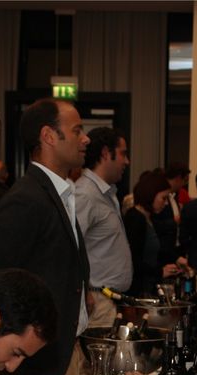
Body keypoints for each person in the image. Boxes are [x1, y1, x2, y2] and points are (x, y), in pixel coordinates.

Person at [0, 98, 91, 375]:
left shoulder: (59, 192)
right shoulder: (25, 199)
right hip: (37, 365)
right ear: (49, 136)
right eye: (77, 130)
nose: (85, 139)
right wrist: (18, 354)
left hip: (66, 354)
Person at [75, 127, 132, 328]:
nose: (127, 161)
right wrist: (83, 291)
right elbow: (70, 248)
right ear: (106, 153)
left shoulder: (106, 193)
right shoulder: (85, 194)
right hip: (96, 302)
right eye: (123, 154)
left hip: (107, 300)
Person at [124, 171, 181, 297]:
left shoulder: (148, 217)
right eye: (163, 198)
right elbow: (134, 260)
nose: (165, 203)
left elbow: (156, 249)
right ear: (151, 195)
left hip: (146, 286)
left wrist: (176, 259)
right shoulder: (136, 218)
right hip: (137, 289)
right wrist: (160, 271)